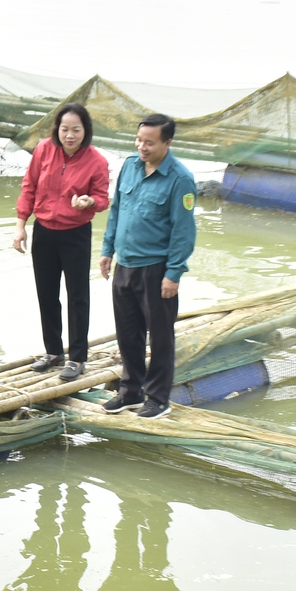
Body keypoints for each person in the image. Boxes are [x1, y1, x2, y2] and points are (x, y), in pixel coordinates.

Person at [98, 115, 198, 418]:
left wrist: (173, 273)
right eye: (139, 140)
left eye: (149, 142)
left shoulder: (180, 179)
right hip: (125, 264)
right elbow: (116, 209)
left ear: (167, 143)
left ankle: (158, 398)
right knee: (127, 333)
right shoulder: (129, 166)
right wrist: (107, 249)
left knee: (160, 334)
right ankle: (130, 391)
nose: (142, 146)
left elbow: (183, 231)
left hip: (156, 269)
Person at [12, 102, 110, 382]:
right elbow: (29, 187)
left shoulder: (96, 161)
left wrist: (88, 201)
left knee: (78, 296)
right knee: (46, 293)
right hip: (43, 230)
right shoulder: (44, 149)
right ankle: (53, 352)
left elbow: (102, 198)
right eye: (65, 129)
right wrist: (21, 226)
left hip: (75, 233)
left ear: (85, 131)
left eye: (76, 130)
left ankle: (77, 357)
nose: (70, 135)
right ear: (57, 129)